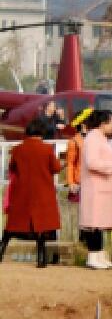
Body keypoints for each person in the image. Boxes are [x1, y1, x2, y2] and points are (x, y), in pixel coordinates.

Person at [1, 110, 62, 267]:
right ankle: (41, 259)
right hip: (43, 191)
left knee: (12, 226)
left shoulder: (18, 149)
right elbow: (55, 168)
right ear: (41, 132)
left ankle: (1, 251)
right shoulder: (47, 149)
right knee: (41, 228)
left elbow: (12, 167)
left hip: (22, 192)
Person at [78, 112, 112, 269]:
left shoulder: (101, 138)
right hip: (95, 186)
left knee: (101, 223)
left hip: (104, 185)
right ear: (103, 123)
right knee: (94, 223)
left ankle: (100, 255)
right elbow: (92, 162)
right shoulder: (92, 138)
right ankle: (93, 256)